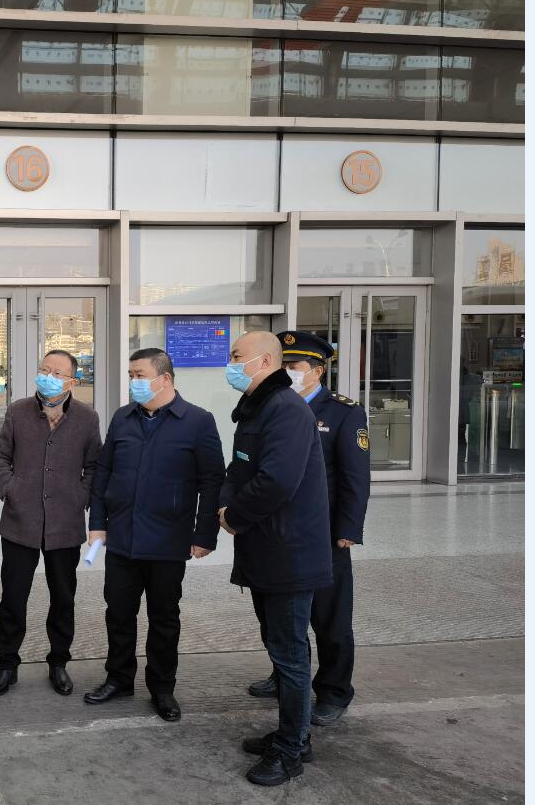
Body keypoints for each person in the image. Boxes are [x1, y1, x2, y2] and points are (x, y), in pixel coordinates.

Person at [83, 348, 225, 722]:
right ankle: (119, 679)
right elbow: (103, 473)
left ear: (165, 379)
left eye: (140, 375)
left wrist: (204, 535)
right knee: (118, 614)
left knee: (164, 618)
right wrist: (97, 523)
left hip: (168, 540)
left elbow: (213, 481)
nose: (133, 382)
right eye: (131, 375)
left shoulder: (197, 421)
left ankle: (162, 688)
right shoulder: (123, 418)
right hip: (122, 539)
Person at [217, 331, 332, 786]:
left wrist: (234, 516)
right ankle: (293, 732)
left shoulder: (285, 410)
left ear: (265, 361)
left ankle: (291, 750)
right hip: (265, 551)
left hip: (289, 554)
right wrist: (226, 506)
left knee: (289, 655)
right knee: (280, 647)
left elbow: (277, 481)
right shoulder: (256, 407)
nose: (230, 363)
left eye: (237, 356)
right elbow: (239, 468)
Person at [246, 331, 370, 727]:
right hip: (277, 533)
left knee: (330, 619)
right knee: (276, 615)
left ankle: (334, 690)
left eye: (294, 366)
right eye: (282, 365)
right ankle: (284, 674)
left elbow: (355, 477)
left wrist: (348, 528)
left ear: (316, 371)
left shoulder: (343, 413)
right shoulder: (269, 406)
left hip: (324, 534)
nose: (286, 372)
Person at [0, 350, 102, 697]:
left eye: (57, 373)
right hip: (20, 521)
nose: (48, 377)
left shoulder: (87, 417)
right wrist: (10, 488)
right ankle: (7, 665)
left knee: (63, 597)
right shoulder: (18, 411)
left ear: (72, 382)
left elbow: (94, 466)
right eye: (44, 369)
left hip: (65, 522)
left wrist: (80, 496)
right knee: (13, 597)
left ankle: (59, 663)